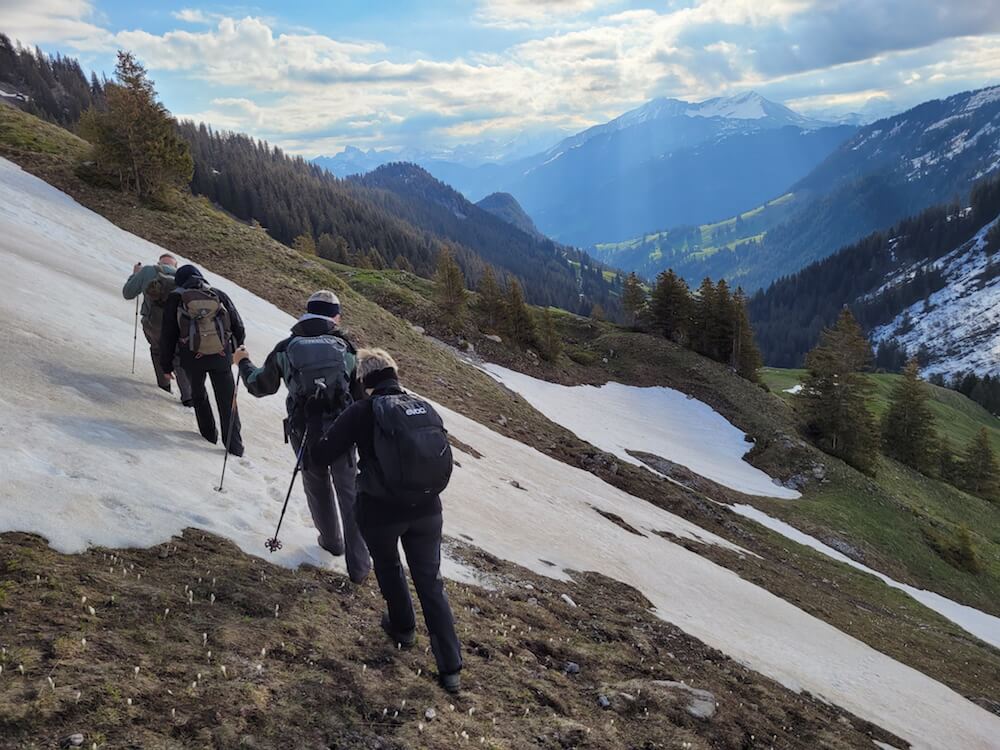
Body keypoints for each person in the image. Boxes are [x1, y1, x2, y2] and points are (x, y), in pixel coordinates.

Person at [311, 348, 463, 693]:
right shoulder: (422, 407)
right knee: (431, 583)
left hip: (381, 510)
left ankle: (403, 628)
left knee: (390, 567)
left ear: (364, 380)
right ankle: (451, 668)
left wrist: (318, 417)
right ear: (395, 373)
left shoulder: (361, 410)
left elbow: (323, 455)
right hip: (427, 509)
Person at [233, 290, 371, 584]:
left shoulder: (287, 346)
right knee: (349, 492)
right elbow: (361, 395)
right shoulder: (346, 348)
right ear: (335, 316)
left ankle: (332, 542)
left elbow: (260, 386)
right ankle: (359, 566)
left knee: (316, 485)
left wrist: (243, 362)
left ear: (307, 312)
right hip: (342, 429)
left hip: (304, 428)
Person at [160, 264, 245, 457]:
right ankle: (235, 447)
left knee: (199, 396)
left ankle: (208, 436)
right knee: (227, 400)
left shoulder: (176, 298)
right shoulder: (217, 294)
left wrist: (166, 365)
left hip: (192, 358)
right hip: (221, 357)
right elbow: (238, 325)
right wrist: (236, 349)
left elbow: (168, 335)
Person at [122, 253, 192, 405]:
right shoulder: (184, 277)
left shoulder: (148, 271)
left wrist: (135, 275)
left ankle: (164, 386)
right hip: (177, 326)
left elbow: (127, 293)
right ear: (175, 266)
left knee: (157, 350)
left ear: (159, 263)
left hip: (152, 324)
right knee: (178, 357)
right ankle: (188, 397)